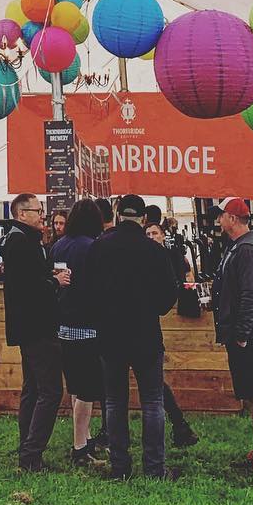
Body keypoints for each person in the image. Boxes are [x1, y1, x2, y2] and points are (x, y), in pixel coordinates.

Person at [89, 194, 179, 480]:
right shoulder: (154, 251)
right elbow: (169, 295)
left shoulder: (100, 247)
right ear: (143, 219)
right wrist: (150, 308)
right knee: (153, 402)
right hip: (145, 334)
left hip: (110, 335)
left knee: (115, 402)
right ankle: (154, 468)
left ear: (117, 215)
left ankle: (120, 466)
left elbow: (85, 290)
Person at [2, 193, 68, 471]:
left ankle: (26, 449)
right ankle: (31, 454)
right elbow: (31, 287)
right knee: (51, 391)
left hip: (27, 326)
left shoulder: (19, 239)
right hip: (38, 326)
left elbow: (29, 277)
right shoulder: (22, 242)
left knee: (32, 389)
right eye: (38, 211)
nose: (43, 215)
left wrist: (48, 275)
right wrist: (55, 281)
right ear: (22, 214)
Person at [213, 197, 253, 473]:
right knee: (252, 393)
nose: (218, 220)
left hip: (252, 335)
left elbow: (252, 295)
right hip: (248, 333)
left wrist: (242, 333)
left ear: (232, 219)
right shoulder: (240, 247)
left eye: (221, 216)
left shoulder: (248, 251)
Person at [51, 198, 106, 465]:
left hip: (63, 326)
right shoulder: (94, 247)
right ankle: (80, 447)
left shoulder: (59, 246)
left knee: (75, 387)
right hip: (88, 327)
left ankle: (82, 439)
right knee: (87, 390)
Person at [145, 222, 199, 448]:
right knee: (153, 384)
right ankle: (179, 426)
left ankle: (179, 426)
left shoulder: (169, 255)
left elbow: (177, 284)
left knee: (153, 386)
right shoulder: (146, 256)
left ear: (163, 234)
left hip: (146, 328)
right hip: (147, 329)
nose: (151, 236)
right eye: (147, 233)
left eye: (154, 233)